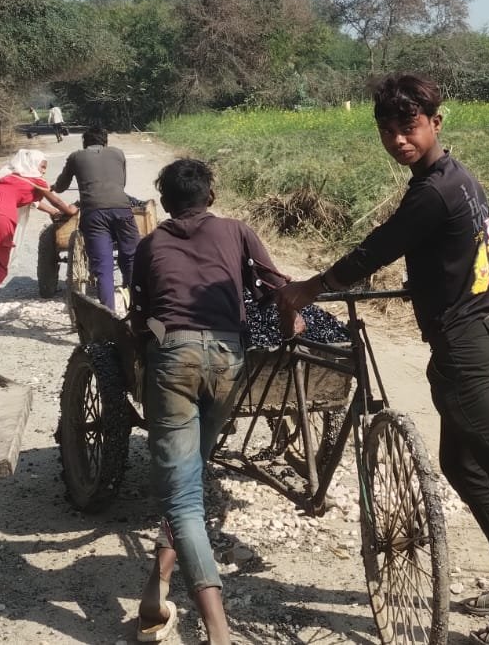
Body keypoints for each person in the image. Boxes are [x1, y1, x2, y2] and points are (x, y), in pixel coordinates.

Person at [277, 75, 489, 645]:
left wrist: (308, 289)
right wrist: (442, 275)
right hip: (475, 336)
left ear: (435, 123)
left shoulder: (433, 192)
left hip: (465, 349)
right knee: (461, 465)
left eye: (409, 127)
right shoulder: (459, 178)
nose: (399, 140)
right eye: (388, 130)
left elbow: (376, 249)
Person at [128, 159, 299, 645]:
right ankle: (155, 589)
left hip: (174, 361)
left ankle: (217, 631)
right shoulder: (237, 231)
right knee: (189, 478)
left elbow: (139, 316)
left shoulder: (150, 244)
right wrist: (293, 319)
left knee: (182, 495)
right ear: (211, 196)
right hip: (228, 360)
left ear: (165, 203)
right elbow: (278, 287)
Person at [0, 149, 75, 320]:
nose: (44, 171)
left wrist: (52, 212)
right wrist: (71, 211)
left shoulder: (7, 175)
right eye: (42, 166)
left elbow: (34, 201)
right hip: (1, 215)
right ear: (32, 164)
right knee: (0, 265)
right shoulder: (36, 180)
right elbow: (57, 201)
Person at [52, 127, 138, 313]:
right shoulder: (118, 153)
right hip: (122, 209)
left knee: (103, 268)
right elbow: (122, 183)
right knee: (131, 259)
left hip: (94, 214)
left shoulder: (76, 157)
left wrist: (53, 187)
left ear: (85, 143)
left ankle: (108, 315)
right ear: (105, 142)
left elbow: (61, 186)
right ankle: (136, 308)